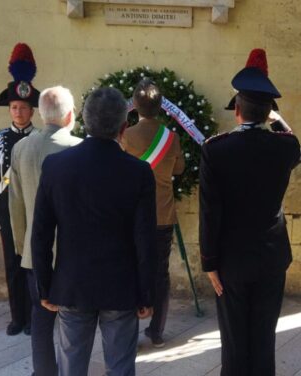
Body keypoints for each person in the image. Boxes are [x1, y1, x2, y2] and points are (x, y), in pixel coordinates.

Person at [31, 87, 156, 376]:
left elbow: (41, 233)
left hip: (72, 284)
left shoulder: (56, 166)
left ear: (84, 121)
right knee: (121, 367)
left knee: (71, 366)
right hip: (121, 286)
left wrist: (44, 286)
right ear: (124, 127)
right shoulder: (138, 172)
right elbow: (145, 240)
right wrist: (146, 294)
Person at [199, 48, 301, 376]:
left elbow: (209, 213)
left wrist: (210, 263)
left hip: (230, 261)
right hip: (271, 258)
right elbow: (298, 147)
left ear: (237, 111)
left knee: (233, 340)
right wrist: (275, 117)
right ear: (270, 112)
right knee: (263, 338)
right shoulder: (285, 147)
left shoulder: (215, 150)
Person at [9, 86, 82, 375]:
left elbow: (15, 206)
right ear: (69, 115)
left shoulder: (20, 148)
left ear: (40, 113)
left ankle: (44, 372)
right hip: (71, 252)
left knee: (40, 324)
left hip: (33, 252)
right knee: (75, 323)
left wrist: (21, 247)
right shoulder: (77, 148)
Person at [121, 79, 185, 348]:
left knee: (130, 271)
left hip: (130, 216)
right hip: (162, 215)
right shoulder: (171, 138)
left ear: (134, 106)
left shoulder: (125, 136)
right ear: (160, 107)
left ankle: (129, 334)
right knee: (160, 273)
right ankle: (156, 332)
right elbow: (179, 169)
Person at [0, 42, 39, 336]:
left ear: (32, 110)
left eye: (23, 108)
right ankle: (18, 317)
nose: (18, 112)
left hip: (32, 208)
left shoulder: (39, 140)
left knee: (33, 263)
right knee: (12, 265)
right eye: (14, 108)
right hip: (6, 210)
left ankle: (34, 318)